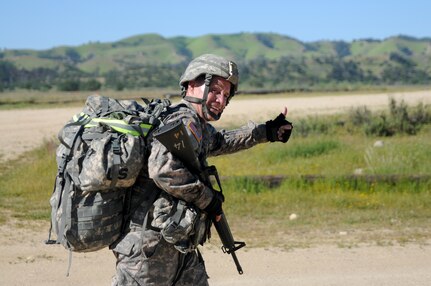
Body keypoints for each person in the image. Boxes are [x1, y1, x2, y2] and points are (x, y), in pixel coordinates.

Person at [111, 54, 293, 285]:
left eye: (226, 95)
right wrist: (207, 199)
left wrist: (265, 131)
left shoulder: (196, 124)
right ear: (191, 84)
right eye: (216, 91)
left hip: (175, 242)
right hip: (148, 249)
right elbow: (163, 169)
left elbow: (220, 141)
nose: (220, 100)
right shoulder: (183, 121)